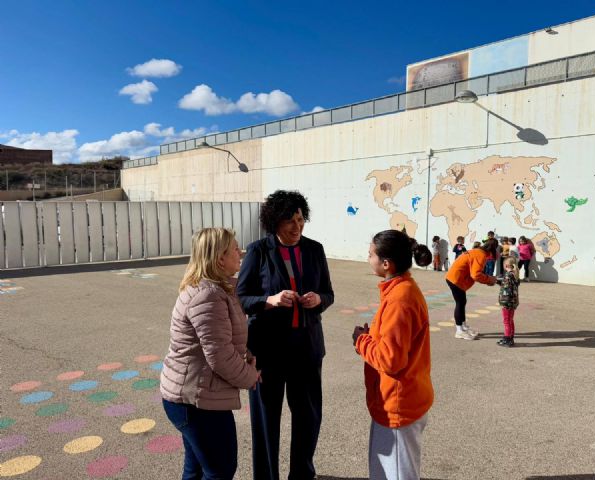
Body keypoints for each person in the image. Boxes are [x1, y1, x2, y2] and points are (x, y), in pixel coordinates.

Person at [237, 190, 334, 480]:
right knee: (267, 420)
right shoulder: (258, 250)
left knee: (308, 417)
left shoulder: (315, 249)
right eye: (290, 220)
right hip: (268, 351)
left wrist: (319, 299)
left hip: (307, 348)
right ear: (274, 221)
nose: (297, 227)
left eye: (301, 219)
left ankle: (302, 474)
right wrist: (270, 300)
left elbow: (329, 293)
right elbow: (241, 297)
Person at [160, 228, 260, 480]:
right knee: (220, 470)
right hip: (196, 402)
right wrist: (251, 376)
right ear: (219, 259)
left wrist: (244, 353)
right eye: (235, 249)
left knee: (196, 469)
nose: (241, 253)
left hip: (195, 397)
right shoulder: (208, 296)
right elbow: (219, 357)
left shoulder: (218, 290)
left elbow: (222, 340)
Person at [352, 229, 434, 480]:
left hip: (398, 402)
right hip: (401, 397)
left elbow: (390, 360)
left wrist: (361, 341)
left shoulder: (400, 298)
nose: (368, 258)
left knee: (396, 475)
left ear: (386, 264)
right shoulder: (400, 289)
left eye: (370, 255)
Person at [445, 239, 498, 340]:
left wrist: (489, 279)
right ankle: (459, 330)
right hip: (455, 279)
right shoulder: (481, 255)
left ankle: (463, 327)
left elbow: (474, 271)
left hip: (455, 277)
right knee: (460, 303)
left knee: (462, 302)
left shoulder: (477, 251)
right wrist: (489, 280)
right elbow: (476, 275)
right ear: (492, 250)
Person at [497, 257, 520, 347]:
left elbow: (506, 287)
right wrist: (500, 282)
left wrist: (498, 281)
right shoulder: (515, 274)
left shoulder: (507, 275)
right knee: (510, 320)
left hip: (507, 301)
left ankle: (507, 338)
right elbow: (509, 285)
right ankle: (510, 337)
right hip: (513, 301)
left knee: (506, 321)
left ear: (506, 265)